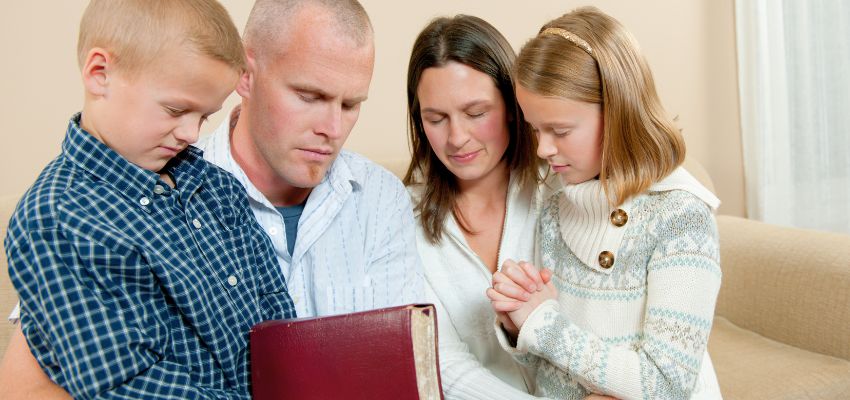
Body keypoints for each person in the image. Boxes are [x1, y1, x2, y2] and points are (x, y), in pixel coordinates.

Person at [1, 0, 424, 397]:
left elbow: (280, 315)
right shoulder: (64, 214)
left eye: (350, 104)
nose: (332, 126)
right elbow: (103, 377)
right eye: (308, 96)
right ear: (247, 73)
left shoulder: (211, 180)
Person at [2, 0, 296, 398]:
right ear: (99, 74)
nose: (191, 133)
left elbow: (276, 313)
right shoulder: (58, 219)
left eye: (205, 117)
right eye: (176, 110)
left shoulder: (218, 187)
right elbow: (127, 383)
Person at [486, 6, 724, 400]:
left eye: (559, 130)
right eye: (534, 129)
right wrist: (519, 324)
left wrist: (542, 323)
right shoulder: (556, 203)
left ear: (618, 113)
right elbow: (558, 369)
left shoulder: (681, 218)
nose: (543, 148)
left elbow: (665, 385)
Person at [404, 14, 547, 399]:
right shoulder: (402, 219)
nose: (457, 138)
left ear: (513, 106)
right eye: (436, 118)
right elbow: (440, 363)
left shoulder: (559, 191)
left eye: (476, 113)